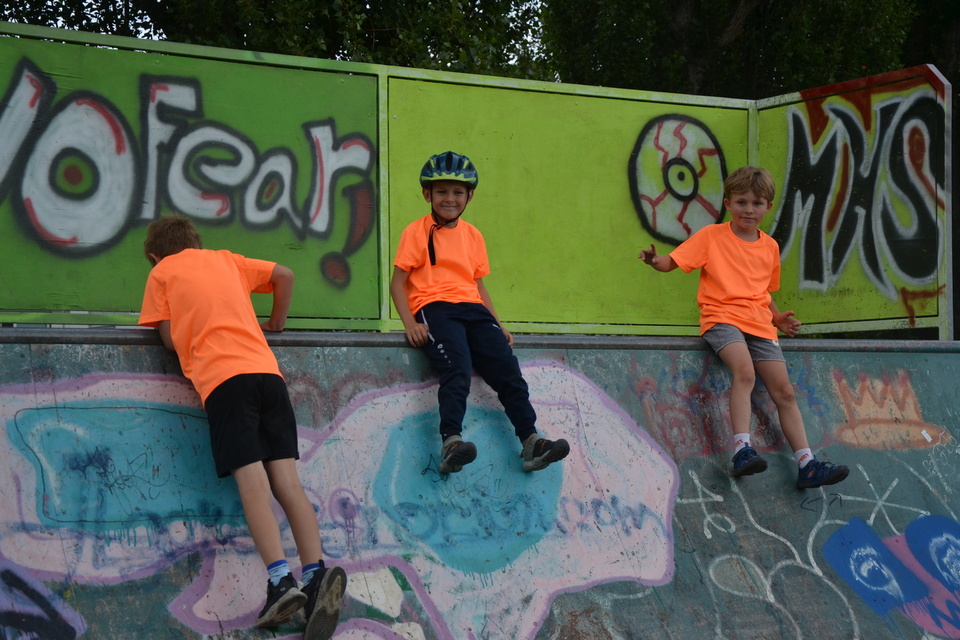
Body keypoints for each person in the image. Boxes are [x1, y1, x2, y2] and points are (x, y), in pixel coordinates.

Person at [138, 215, 346, 638]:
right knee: (287, 483)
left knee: (253, 486)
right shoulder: (227, 259)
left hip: (224, 382)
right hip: (269, 377)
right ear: (197, 243)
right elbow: (284, 274)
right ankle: (315, 574)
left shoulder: (162, 272)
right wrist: (276, 323)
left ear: (155, 256)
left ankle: (280, 581)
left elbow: (170, 339)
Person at [638, 166, 849, 490]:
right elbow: (673, 262)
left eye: (756, 203)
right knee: (745, 372)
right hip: (721, 318)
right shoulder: (712, 236)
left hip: (760, 323)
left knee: (785, 392)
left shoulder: (770, 247)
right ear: (728, 203)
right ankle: (741, 450)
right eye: (741, 202)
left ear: (767, 206)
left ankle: (807, 464)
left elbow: (763, 291)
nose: (748, 210)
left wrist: (777, 317)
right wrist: (655, 261)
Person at [390, 151, 570, 474]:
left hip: (474, 310)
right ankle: (451, 442)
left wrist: (498, 324)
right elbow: (397, 283)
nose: (450, 198)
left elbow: (478, 285)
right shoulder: (415, 232)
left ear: (469, 196)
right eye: (441, 191)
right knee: (457, 367)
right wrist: (410, 323)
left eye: (457, 192)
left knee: (507, 369)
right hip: (435, 308)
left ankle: (531, 441)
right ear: (427, 194)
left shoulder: (473, 235)